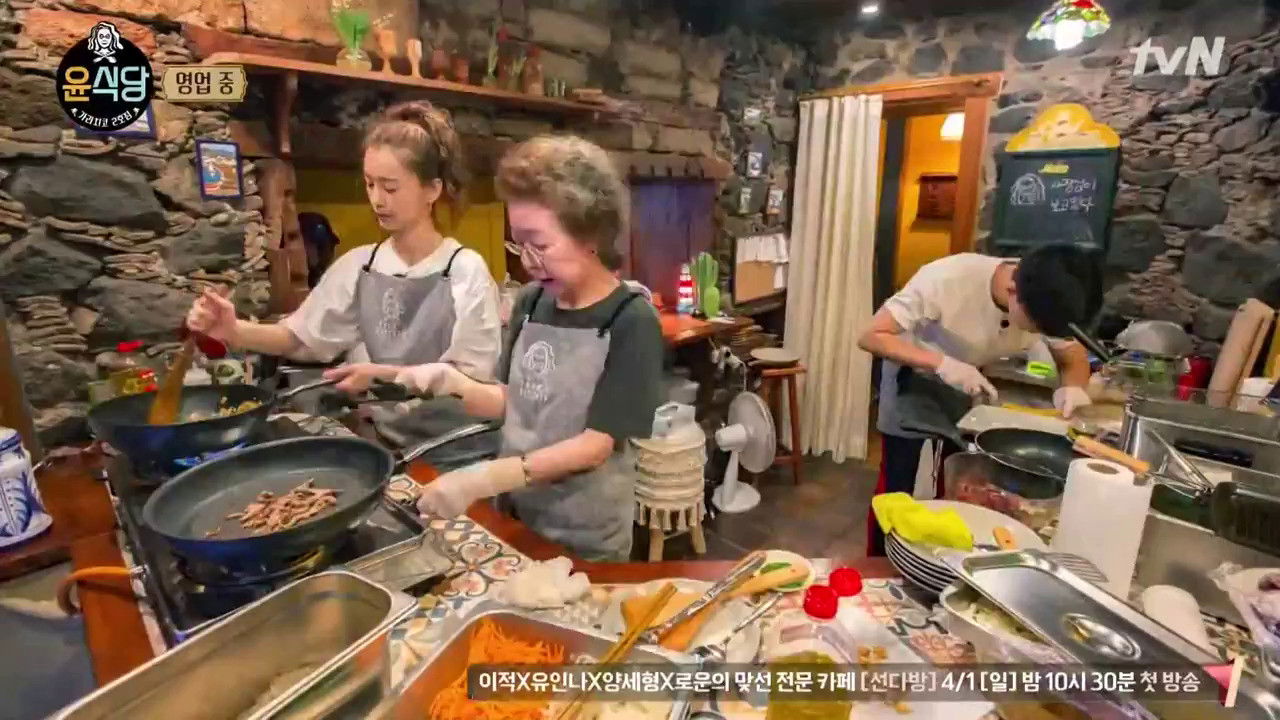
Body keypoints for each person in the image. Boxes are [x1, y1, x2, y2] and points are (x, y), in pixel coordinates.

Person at [186, 101, 501, 470]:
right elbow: (300, 338)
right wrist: (233, 330)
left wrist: (383, 376)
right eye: (370, 184)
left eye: (391, 187)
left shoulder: (464, 270)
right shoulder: (361, 266)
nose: (377, 200)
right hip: (393, 446)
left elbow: (470, 379)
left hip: (458, 452)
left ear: (432, 189)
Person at [394, 135, 664, 562]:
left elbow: (595, 445)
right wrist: (453, 384)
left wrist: (484, 478)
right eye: (518, 244)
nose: (528, 261)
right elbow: (513, 401)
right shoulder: (531, 301)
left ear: (591, 233)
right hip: (517, 516)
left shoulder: (630, 320)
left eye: (540, 244)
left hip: (585, 534)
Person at [857, 244, 1103, 556]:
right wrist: (942, 364)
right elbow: (871, 335)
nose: (1038, 333)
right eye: (1035, 326)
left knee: (960, 482)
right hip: (912, 376)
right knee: (896, 485)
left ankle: (944, 557)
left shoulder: (1046, 293)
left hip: (969, 382)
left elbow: (1072, 356)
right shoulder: (946, 279)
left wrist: (1074, 388)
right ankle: (880, 563)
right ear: (1013, 290)